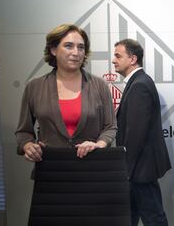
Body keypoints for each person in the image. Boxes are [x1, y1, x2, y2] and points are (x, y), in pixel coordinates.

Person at [15, 24, 116, 161]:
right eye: (69, 46)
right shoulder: (34, 87)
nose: (76, 52)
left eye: (81, 47)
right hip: (50, 170)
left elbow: (110, 127)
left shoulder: (99, 85)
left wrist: (99, 144)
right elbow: (23, 131)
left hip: (92, 169)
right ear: (53, 50)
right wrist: (27, 145)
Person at [112, 38, 174, 226]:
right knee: (129, 218)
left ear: (133, 58)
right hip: (138, 167)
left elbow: (135, 134)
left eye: (118, 56)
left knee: (153, 217)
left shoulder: (139, 85)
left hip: (139, 169)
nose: (113, 61)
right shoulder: (138, 82)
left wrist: (126, 170)